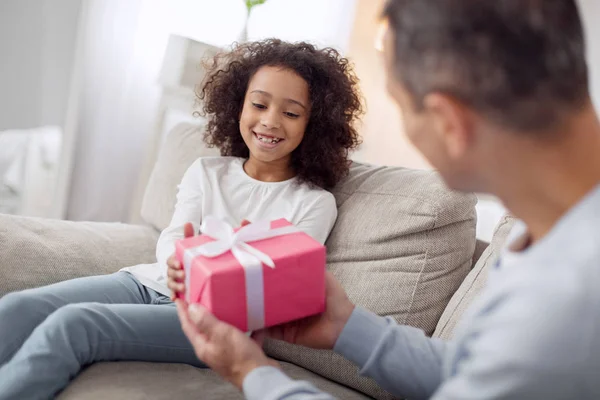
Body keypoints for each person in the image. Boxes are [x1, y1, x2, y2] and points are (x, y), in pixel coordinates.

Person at [175, 1, 600, 399]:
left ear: (448, 121)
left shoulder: (568, 296)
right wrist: (348, 327)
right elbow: (471, 371)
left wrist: (253, 374)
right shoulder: (551, 228)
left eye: (400, 106)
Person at [0, 39, 363, 400]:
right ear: (238, 105)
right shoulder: (207, 171)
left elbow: (277, 285)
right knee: (18, 307)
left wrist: (214, 271)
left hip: (215, 323)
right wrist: (178, 262)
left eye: (291, 113)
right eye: (259, 104)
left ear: (314, 124)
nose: (270, 121)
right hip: (149, 284)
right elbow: (174, 236)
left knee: (75, 324)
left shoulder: (315, 203)